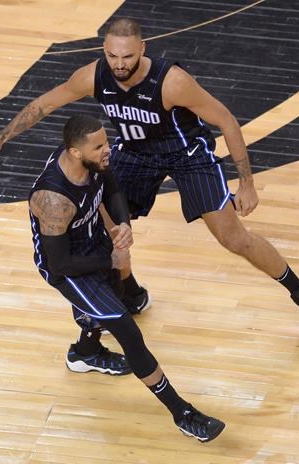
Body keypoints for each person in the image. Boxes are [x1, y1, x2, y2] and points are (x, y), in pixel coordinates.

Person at [0, 18, 299, 334]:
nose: (120, 65)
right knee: (105, 225)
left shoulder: (172, 82)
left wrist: (246, 182)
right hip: (136, 154)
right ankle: (131, 292)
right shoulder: (93, 76)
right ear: (103, 51)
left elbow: (226, 120)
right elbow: (44, 103)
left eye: (127, 56)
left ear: (142, 48)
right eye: (112, 56)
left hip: (186, 156)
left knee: (233, 238)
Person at [30, 114, 224, 442]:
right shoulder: (53, 199)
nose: (108, 150)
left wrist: (122, 224)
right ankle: (182, 413)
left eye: (105, 142)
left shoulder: (92, 161)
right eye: (99, 146)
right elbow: (59, 263)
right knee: (126, 328)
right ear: (76, 153)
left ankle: (85, 353)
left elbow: (113, 186)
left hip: (93, 243)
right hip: (69, 268)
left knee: (115, 296)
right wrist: (112, 257)